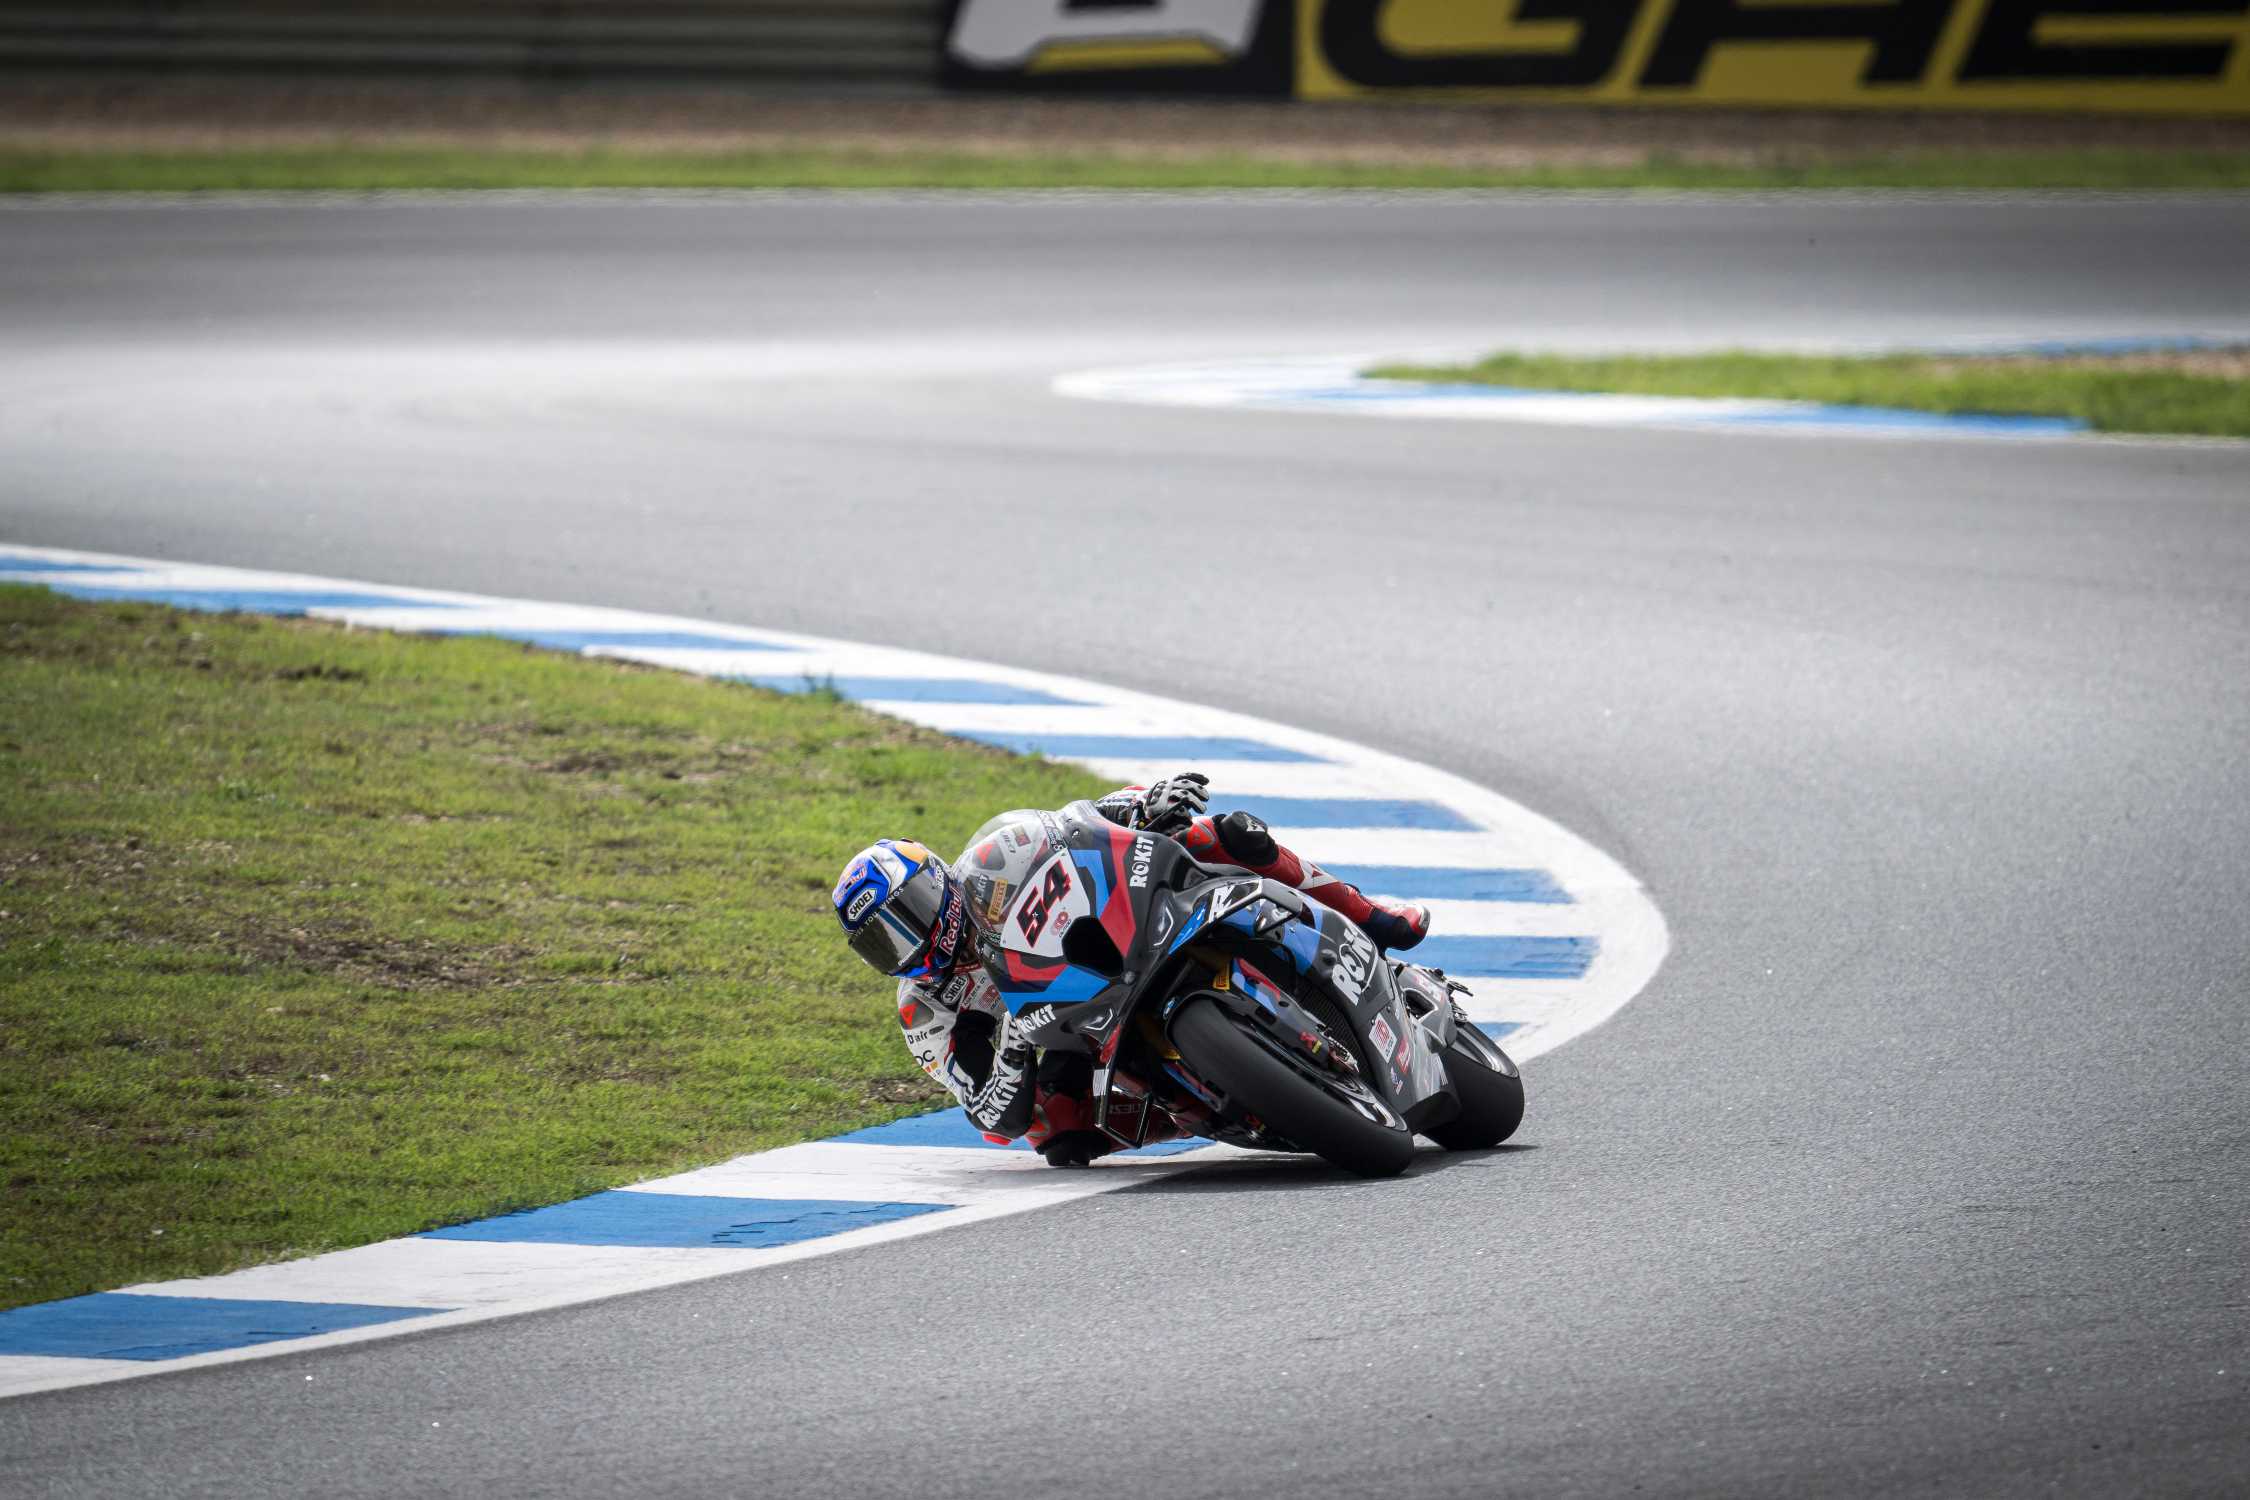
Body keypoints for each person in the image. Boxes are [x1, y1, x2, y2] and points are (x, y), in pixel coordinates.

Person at [830, 773, 1430, 1166]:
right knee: (1056, 1134)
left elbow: (1076, 821)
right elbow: (992, 1114)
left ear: (936, 880)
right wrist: (1010, 1043)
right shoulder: (924, 1010)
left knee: (1223, 833)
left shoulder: (991, 859)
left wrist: (1146, 802)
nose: (907, 941)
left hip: (1117, 936)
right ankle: (1203, 1107)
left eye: (908, 914)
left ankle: (1370, 914)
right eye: (883, 942)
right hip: (1070, 1033)